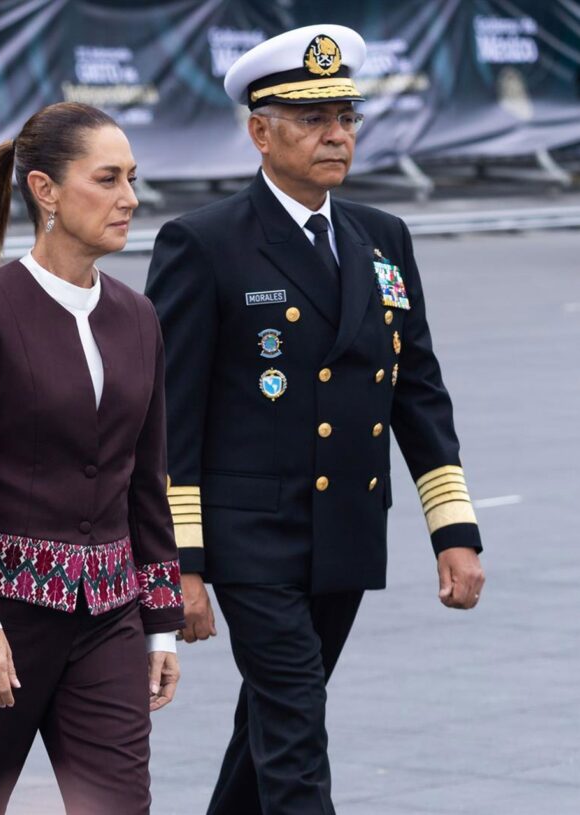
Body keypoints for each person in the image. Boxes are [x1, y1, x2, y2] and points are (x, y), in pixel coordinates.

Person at [145, 24, 486, 815]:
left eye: (346, 116)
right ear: (260, 132)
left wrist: (454, 529)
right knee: (297, 723)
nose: (337, 134)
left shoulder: (382, 237)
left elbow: (417, 388)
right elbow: (170, 412)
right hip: (250, 536)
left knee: (272, 717)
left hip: (345, 526)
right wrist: (181, 563)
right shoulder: (204, 243)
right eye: (310, 118)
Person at [0, 102, 185, 815]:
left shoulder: (138, 315)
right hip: (2, 618)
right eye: (108, 179)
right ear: (45, 190)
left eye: (132, 178)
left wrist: (160, 622)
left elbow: (145, 479)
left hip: (108, 618)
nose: (130, 198)